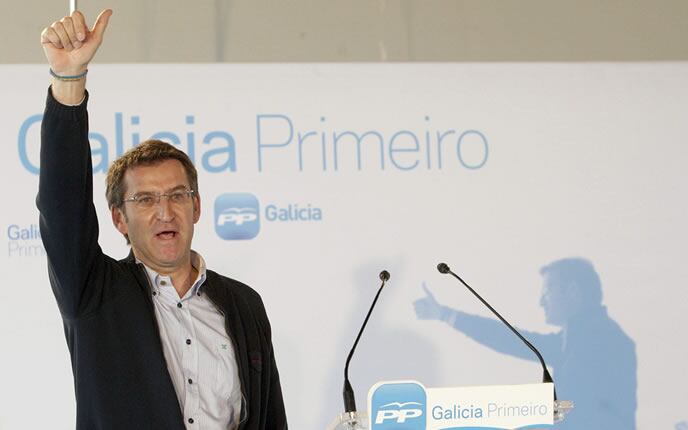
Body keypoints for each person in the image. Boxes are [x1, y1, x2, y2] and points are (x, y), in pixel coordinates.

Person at [37, 10, 287, 429]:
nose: (165, 211)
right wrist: (68, 83)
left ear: (197, 206)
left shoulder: (244, 305)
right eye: (146, 200)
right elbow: (62, 207)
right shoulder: (94, 293)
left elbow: (270, 418)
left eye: (177, 196)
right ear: (119, 219)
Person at [414, 258, 636, 429]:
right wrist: (445, 314)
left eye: (547, 292)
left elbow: (581, 409)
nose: (541, 302)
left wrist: (509, 412)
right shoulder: (579, 337)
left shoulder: (600, 340)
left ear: (573, 292)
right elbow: (512, 340)